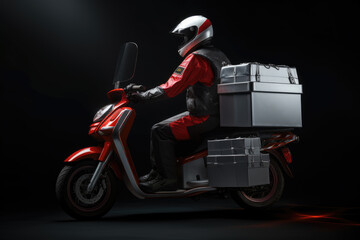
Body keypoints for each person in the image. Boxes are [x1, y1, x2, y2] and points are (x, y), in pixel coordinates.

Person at [128, 15, 230, 193]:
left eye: (185, 37)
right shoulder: (219, 55)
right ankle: (156, 173)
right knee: (159, 127)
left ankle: (167, 179)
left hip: (204, 117)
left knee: (160, 132)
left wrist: (142, 96)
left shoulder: (196, 59)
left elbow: (171, 88)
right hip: (214, 113)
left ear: (195, 34)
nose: (183, 41)